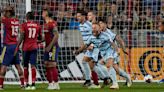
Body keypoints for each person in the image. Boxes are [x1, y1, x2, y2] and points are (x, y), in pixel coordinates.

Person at [15, 12, 42, 90]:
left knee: (25, 66)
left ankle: (26, 84)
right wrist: (37, 40)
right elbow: (40, 37)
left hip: (26, 48)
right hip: (34, 47)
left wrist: (17, 46)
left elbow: (22, 36)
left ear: (26, 17)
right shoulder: (38, 25)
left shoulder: (23, 25)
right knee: (33, 66)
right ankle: (33, 84)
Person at [0, 6, 24, 90]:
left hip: (8, 46)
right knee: (18, 66)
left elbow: (1, 18)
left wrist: (3, 10)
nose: (5, 14)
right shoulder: (17, 21)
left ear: (9, 13)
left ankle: (1, 86)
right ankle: (22, 84)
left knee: (3, 66)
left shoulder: (7, 21)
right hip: (15, 46)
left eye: (7, 12)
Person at [42, 8, 60, 90]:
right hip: (47, 47)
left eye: (43, 12)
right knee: (46, 64)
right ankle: (50, 84)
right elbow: (46, 37)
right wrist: (39, 40)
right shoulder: (45, 24)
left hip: (53, 47)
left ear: (46, 13)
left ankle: (56, 84)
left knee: (52, 64)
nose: (42, 13)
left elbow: (56, 36)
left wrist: (50, 46)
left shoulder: (52, 24)